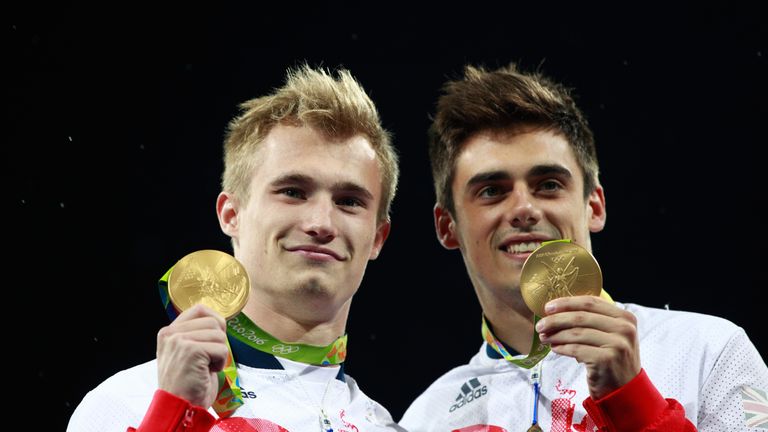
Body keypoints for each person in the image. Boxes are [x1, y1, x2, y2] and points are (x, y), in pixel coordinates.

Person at [399, 64, 768, 431]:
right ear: (447, 227)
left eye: (548, 185)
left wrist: (632, 400)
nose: (524, 209)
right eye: (492, 191)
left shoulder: (710, 351)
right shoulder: (426, 419)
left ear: (594, 206)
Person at [67, 65, 405, 432]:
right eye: (293, 192)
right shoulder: (128, 402)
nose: (321, 223)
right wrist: (174, 413)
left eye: (349, 201)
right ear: (232, 214)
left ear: (377, 238)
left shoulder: (384, 425)